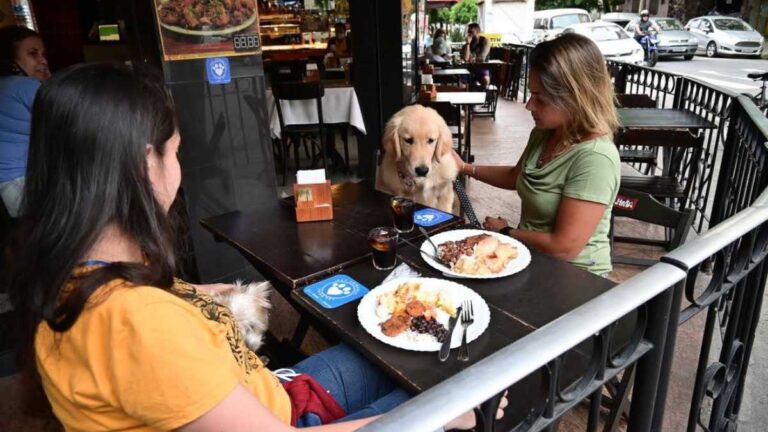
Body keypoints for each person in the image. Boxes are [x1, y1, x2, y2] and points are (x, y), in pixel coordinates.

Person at [12, 62, 506, 431]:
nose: (179, 171)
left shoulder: (73, 272)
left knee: (407, 352)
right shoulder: (136, 325)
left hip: (267, 387)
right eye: (177, 152)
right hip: (288, 416)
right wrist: (441, 416)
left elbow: (152, 324)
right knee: (468, 396)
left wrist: (200, 292)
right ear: (146, 164)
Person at [453, 33, 620, 276]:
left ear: (575, 97)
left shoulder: (595, 159)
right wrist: (464, 168)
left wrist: (505, 232)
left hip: (575, 277)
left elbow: (564, 249)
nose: (529, 105)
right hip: (530, 257)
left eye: (539, 98)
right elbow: (516, 176)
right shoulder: (545, 133)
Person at [0, 26, 49, 217]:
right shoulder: (27, 87)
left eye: (43, 54)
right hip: (26, 182)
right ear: (10, 59)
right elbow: (65, 125)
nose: (43, 60)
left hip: (7, 187)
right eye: (33, 54)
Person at [461, 23, 490, 87]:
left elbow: (482, 57)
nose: (469, 34)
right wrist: (468, 44)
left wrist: (472, 58)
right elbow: (466, 58)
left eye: (471, 32)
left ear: (478, 31)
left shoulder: (485, 41)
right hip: (470, 68)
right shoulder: (468, 43)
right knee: (461, 83)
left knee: (486, 80)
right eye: (468, 32)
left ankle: (484, 95)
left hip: (482, 68)